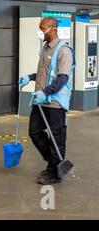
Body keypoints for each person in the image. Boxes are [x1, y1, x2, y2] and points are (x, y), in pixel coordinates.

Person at [19, 17, 75, 185]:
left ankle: (55, 174)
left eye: (42, 28)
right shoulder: (44, 49)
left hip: (55, 102)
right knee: (34, 131)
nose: (40, 32)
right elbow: (45, 74)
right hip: (41, 100)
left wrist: (45, 92)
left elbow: (62, 78)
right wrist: (29, 77)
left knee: (57, 137)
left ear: (52, 30)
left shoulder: (64, 51)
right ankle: (54, 164)